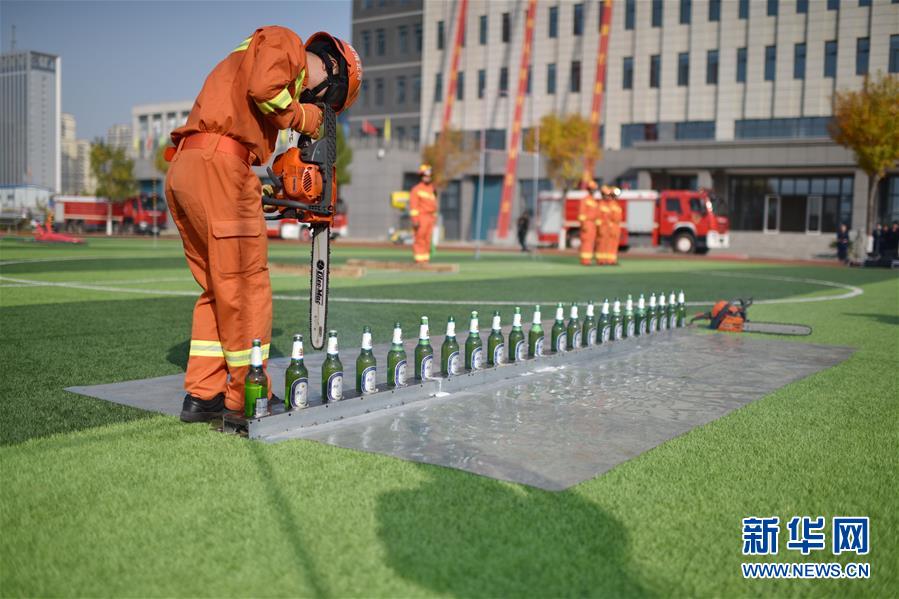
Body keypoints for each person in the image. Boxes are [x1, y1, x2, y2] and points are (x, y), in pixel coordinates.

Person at [165, 27, 362, 422]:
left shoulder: (253, 55)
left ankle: (204, 394)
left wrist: (263, 189)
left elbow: (252, 100)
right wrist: (304, 118)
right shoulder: (285, 42)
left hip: (191, 166)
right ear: (332, 73)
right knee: (246, 287)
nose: (314, 103)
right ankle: (247, 397)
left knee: (219, 288)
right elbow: (264, 88)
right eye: (325, 102)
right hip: (220, 165)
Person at [409, 164, 438, 263]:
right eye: (425, 176)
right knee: (420, 238)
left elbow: (434, 206)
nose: (427, 178)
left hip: (430, 218)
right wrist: (415, 220)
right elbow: (413, 207)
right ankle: (419, 260)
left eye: (429, 176)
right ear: (421, 176)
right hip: (421, 218)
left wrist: (434, 219)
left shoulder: (432, 189)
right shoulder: (416, 189)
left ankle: (425, 259)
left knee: (428, 239)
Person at [577, 179, 599, 265]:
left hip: (593, 224)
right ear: (589, 189)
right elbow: (581, 214)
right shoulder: (585, 200)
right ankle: (585, 260)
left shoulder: (594, 201)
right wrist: (584, 224)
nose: (593, 191)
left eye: (594, 189)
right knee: (586, 242)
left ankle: (588, 259)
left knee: (591, 242)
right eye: (592, 189)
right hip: (587, 223)